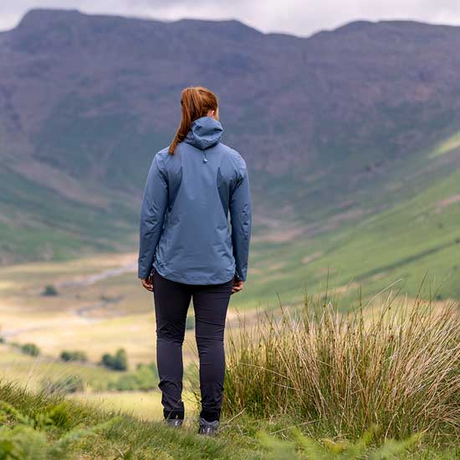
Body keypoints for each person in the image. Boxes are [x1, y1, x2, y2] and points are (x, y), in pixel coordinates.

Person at [138, 86, 252, 435]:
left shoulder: (165, 159)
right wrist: (239, 269)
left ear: (184, 114)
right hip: (218, 269)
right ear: (213, 113)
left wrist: (146, 267)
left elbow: (151, 218)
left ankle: (173, 418)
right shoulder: (234, 161)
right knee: (211, 342)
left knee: (169, 337)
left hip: (170, 267)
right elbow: (243, 221)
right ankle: (210, 423)